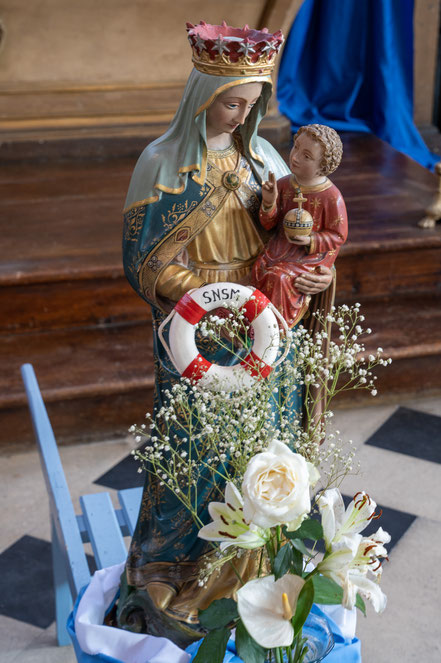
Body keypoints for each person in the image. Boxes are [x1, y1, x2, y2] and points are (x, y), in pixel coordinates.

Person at [118, 21, 333, 647]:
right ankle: (174, 567)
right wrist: (205, 295)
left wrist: (314, 274)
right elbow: (144, 259)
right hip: (202, 327)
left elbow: (295, 239)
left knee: (262, 446)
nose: (241, 115)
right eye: (230, 102)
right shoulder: (162, 163)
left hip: (265, 319)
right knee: (197, 450)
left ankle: (253, 571)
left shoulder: (265, 158)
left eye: (252, 103)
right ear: (201, 97)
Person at [252, 124, 347, 327]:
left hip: (308, 256)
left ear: (323, 166)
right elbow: (268, 224)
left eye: (306, 156)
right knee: (261, 269)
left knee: (279, 278)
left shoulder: (331, 197)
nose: (294, 157)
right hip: (279, 249)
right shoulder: (284, 184)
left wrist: (310, 240)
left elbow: (337, 236)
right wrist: (269, 202)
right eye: (295, 147)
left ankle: (273, 329)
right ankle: (255, 324)